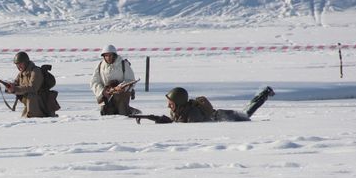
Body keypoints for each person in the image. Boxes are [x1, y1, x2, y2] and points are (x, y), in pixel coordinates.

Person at [140, 86, 275, 124]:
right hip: (218, 115)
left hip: (224, 116)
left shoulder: (193, 114)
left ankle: (264, 93)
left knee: (246, 113)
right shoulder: (179, 110)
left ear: (179, 102)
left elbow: (186, 128)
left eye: (171, 104)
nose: (169, 106)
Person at [2, 51, 58, 118]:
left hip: (41, 102)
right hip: (31, 103)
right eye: (17, 65)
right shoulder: (21, 73)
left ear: (26, 62)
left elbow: (33, 88)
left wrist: (15, 89)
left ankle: (36, 115)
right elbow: (16, 84)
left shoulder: (35, 71)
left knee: (31, 95)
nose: (19, 66)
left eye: (21, 64)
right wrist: (9, 87)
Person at [90, 44, 138, 116]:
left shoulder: (123, 64)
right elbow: (94, 82)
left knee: (123, 114)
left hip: (122, 96)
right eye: (106, 55)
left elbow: (130, 80)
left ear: (114, 55)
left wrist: (122, 87)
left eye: (110, 55)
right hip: (106, 97)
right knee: (106, 114)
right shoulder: (100, 66)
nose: (108, 57)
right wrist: (102, 91)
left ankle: (133, 112)